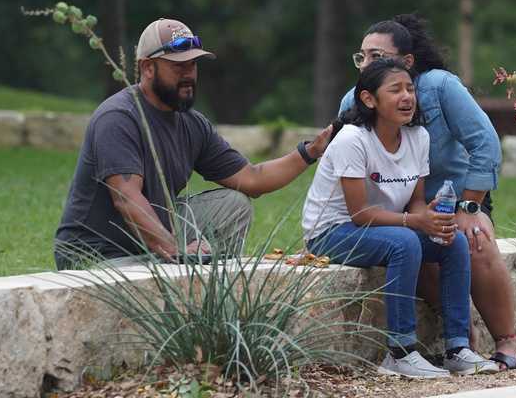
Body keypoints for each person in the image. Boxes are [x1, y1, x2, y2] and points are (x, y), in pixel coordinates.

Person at [54, 18, 332, 270]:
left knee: (235, 203)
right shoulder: (118, 117)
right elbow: (127, 200)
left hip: (152, 244)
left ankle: (207, 293)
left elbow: (250, 179)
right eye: (178, 66)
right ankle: (182, 273)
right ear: (147, 67)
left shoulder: (191, 123)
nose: (189, 74)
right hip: (97, 254)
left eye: (193, 64)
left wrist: (310, 152)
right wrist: (176, 251)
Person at [337, 14, 516, 370]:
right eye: (361, 56)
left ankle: (507, 341)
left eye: (376, 56)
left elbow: (485, 145)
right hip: (395, 206)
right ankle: (462, 336)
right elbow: (343, 167)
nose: (366, 65)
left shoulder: (439, 87)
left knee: (473, 239)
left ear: (407, 62)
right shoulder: (355, 99)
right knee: (415, 249)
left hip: (459, 196)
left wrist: (468, 209)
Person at [303, 58, 498, 378]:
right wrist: (416, 223)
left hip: (384, 227)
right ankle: (401, 353)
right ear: (369, 99)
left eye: (410, 88)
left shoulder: (417, 137)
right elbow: (359, 213)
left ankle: (459, 349)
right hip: (331, 232)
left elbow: (416, 202)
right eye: (395, 90)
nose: (407, 96)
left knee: (452, 241)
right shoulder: (352, 139)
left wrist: (433, 219)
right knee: (406, 242)